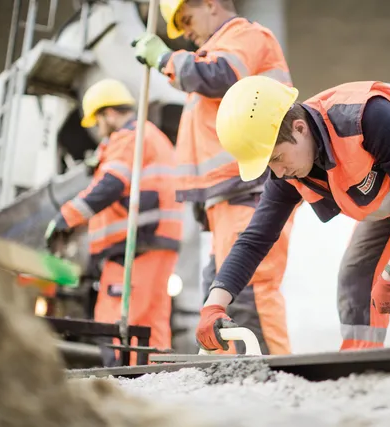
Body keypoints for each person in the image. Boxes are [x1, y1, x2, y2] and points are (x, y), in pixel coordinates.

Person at [196, 75, 390, 352]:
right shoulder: (288, 172)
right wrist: (214, 306)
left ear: (300, 127)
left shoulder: (366, 117)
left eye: (277, 157)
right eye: (269, 166)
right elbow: (255, 240)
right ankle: (360, 364)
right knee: (356, 273)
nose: (278, 173)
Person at [130, 0, 296, 355]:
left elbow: (219, 76)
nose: (185, 31)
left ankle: (273, 376)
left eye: (186, 19)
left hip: (249, 190)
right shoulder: (214, 51)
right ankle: (229, 376)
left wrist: (165, 59)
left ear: (209, 4)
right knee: (219, 296)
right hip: (228, 196)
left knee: (250, 289)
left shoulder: (246, 36)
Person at [44, 78, 184, 365]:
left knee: (114, 324)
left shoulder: (128, 137)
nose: (97, 130)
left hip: (134, 249)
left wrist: (65, 218)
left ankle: (123, 388)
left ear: (107, 114)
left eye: (96, 122)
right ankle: (154, 388)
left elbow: (110, 185)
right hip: (155, 242)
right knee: (150, 328)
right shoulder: (150, 136)